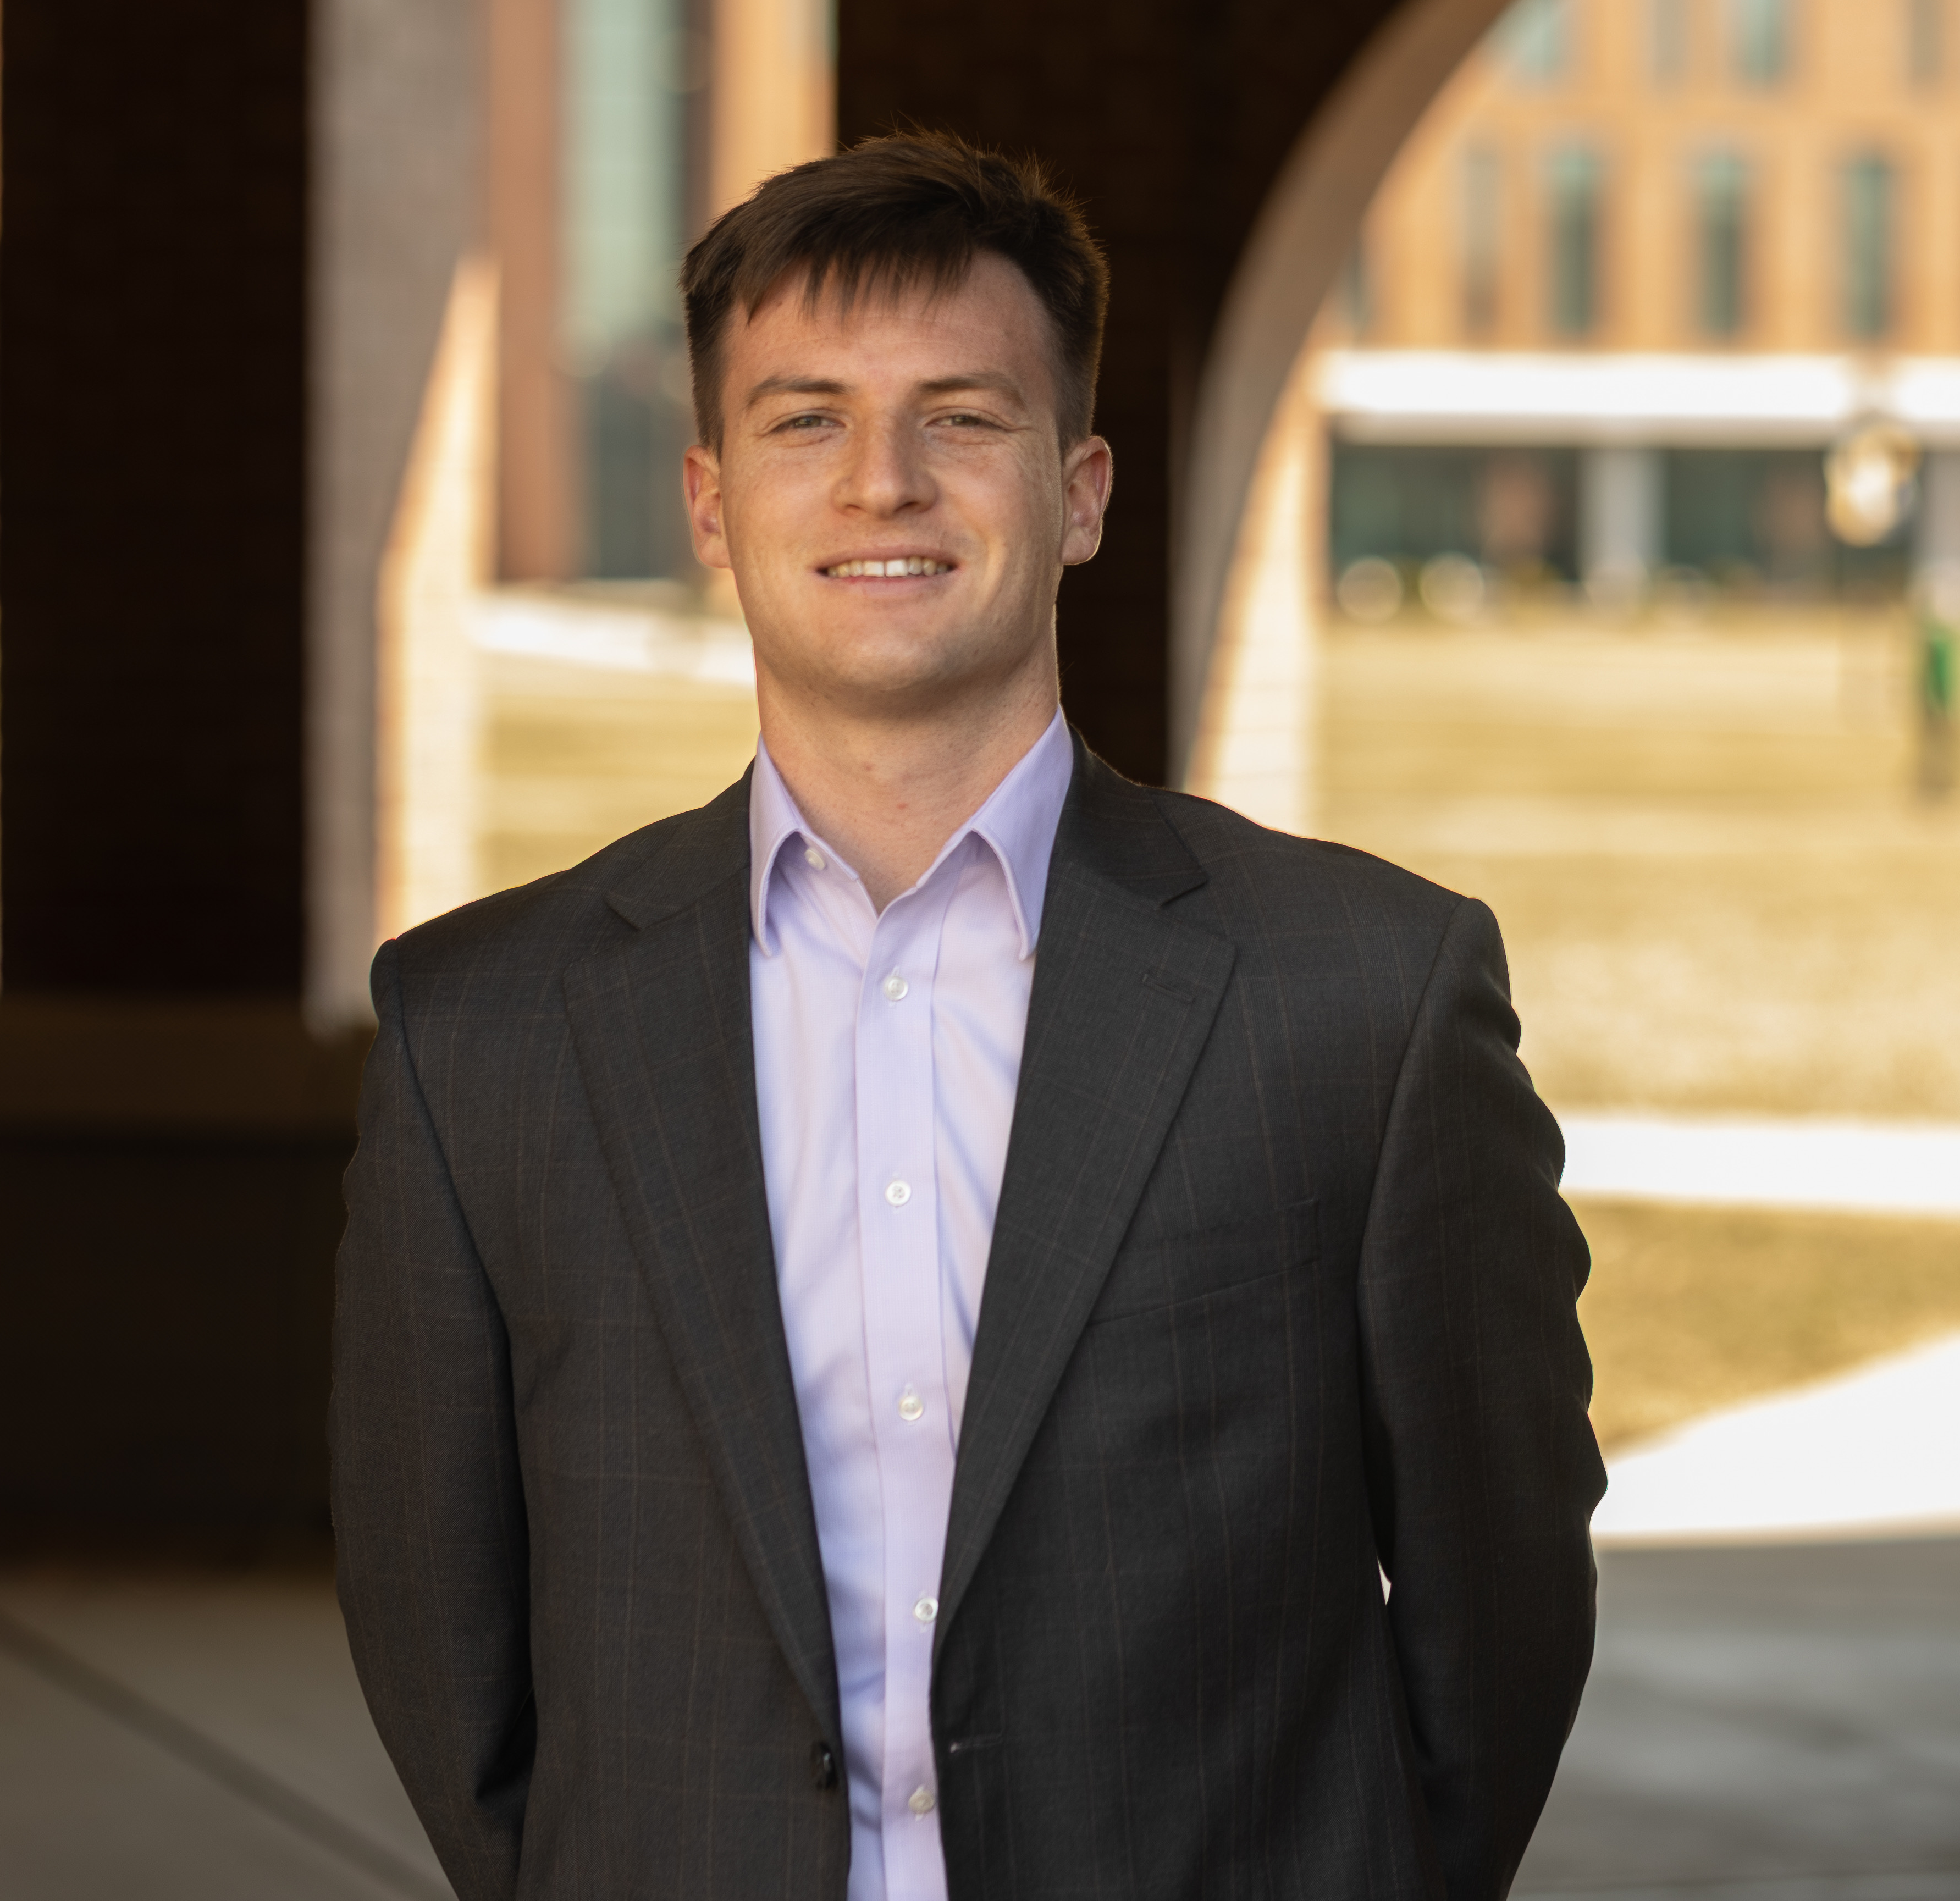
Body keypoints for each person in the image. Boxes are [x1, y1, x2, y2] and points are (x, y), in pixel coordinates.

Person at [333, 131, 1602, 1901]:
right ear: (710, 503)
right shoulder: (485, 1036)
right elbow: (438, 1625)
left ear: (1082, 492)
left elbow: (1502, 1601)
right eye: (804, 421)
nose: (884, 483)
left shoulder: (1364, 1000)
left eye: (963, 416)